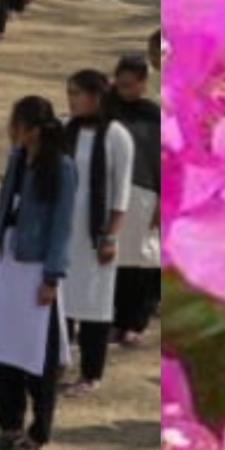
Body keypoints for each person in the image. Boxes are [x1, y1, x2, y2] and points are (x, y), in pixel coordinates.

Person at [0, 96, 76, 450]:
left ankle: (39, 429)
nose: (11, 131)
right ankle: (9, 422)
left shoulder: (62, 168)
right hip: (8, 259)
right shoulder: (16, 160)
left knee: (38, 354)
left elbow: (62, 226)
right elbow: (2, 208)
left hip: (36, 266)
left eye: (17, 125)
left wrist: (52, 277)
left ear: (34, 130)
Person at [57, 69, 132, 396]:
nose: (71, 100)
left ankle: (91, 372)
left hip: (95, 233)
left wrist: (110, 235)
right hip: (64, 230)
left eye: (77, 94)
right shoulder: (63, 130)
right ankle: (59, 361)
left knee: (94, 304)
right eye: (69, 93)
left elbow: (121, 191)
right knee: (61, 300)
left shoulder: (116, 136)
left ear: (96, 97)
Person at [107, 51, 163, 349]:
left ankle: (134, 322)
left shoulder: (153, 116)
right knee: (115, 259)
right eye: (120, 84)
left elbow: (161, 160)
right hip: (115, 190)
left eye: (130, 85)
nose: (124, 90)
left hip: (146, 192)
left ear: (142, 83)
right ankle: (115, 318)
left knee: (142, 260)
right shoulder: (107, 109)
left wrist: (161, 201)